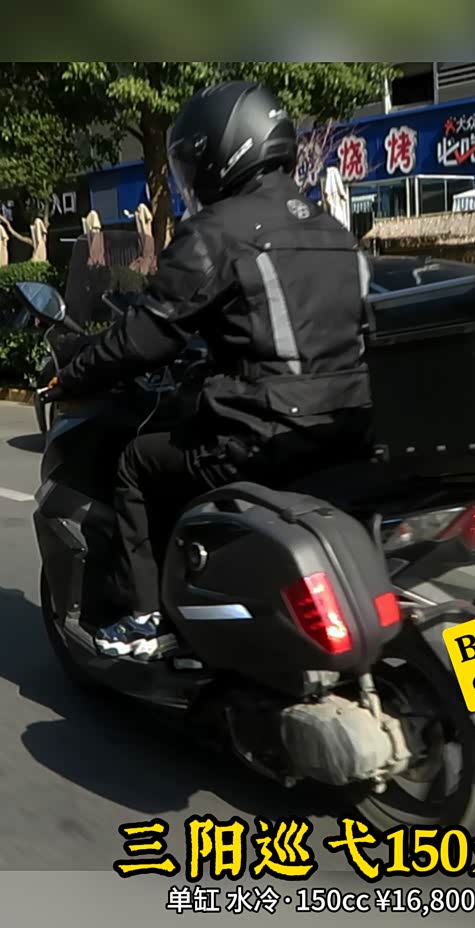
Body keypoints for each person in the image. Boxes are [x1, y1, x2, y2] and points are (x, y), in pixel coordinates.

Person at [48, 80, 373, 661]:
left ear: (222, 153)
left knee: (136, 464)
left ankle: (146, 618)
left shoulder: (218, 230)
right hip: (347, 424)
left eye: (192, 160)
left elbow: (147, 335)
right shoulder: (332, 231)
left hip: (263, 432)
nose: (191, 176)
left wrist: (73, 374)